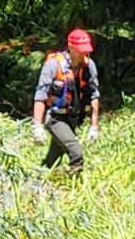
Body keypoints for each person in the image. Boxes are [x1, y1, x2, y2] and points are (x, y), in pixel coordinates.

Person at [31, 29, 101, 175]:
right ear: (70, 46)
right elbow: (40, 95)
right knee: (76, 152)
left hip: (73, 118)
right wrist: (37, 125)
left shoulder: (89, 66)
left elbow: (94, 96)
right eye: (80, 50)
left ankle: (38, 180)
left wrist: (94, 126)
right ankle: (75, 184)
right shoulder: (53, 65)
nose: (83, 54)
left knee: (54, 158)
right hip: (56, 118)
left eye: (86, 50)